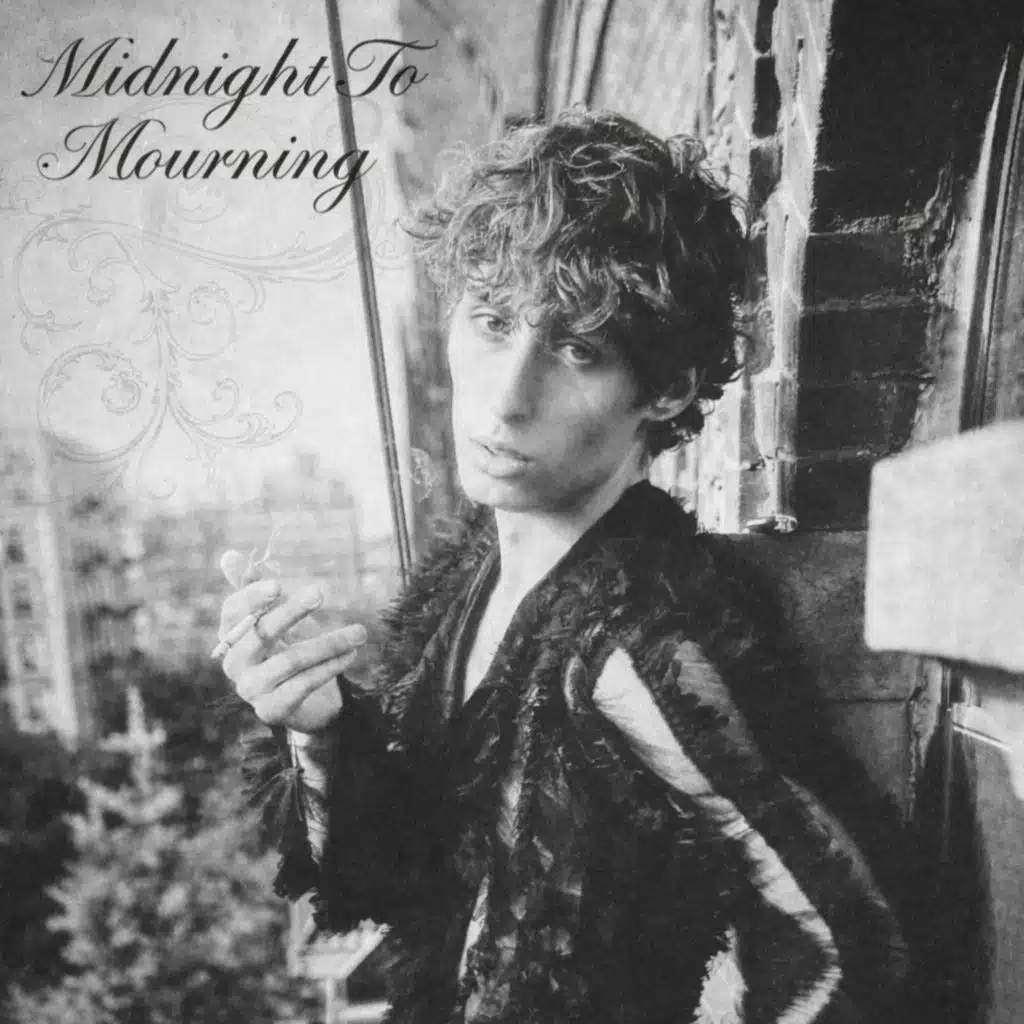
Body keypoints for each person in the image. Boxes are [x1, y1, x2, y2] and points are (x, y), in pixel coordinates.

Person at [216, 110, 908, 1023]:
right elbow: (403, 876)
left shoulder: (637, 639)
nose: (507, 399)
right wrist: (319, 729)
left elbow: (847, 949)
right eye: (493, 320)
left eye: (580, 349)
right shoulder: (473, 573)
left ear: (667, 388)